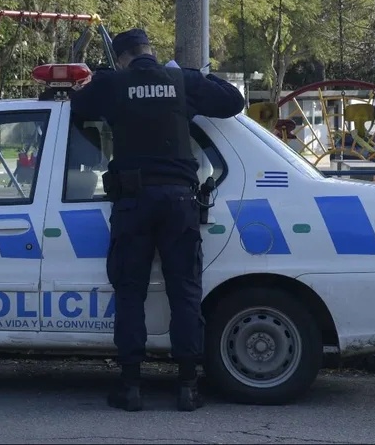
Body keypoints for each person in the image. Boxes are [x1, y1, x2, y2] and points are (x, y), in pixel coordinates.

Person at [67, 28, 246, 412]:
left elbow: (78, 107)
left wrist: (96, 78)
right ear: (150, 51)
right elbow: (233, 101)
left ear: (121, 58)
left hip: (133, 203)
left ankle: (130, 388)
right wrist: (196, 75)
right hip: (180, 202)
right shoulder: (180, 80)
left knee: (131, 291)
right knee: (184, 291)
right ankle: (187, 388)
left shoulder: (114, 83)